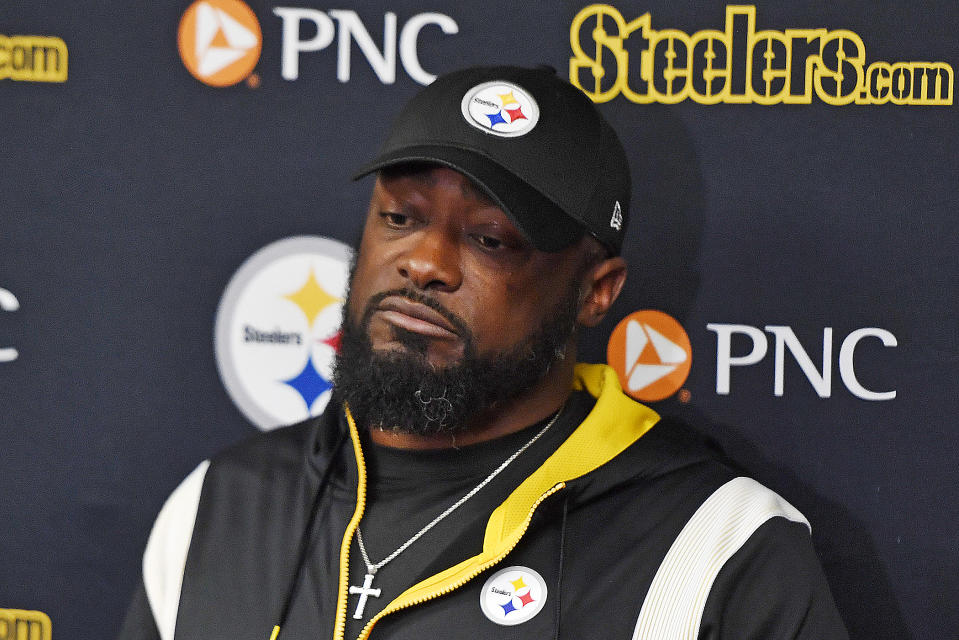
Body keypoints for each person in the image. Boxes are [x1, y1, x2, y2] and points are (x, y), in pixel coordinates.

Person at [118, 65, 848, 640]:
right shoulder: (216, 506)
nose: (423, 262)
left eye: (489, 239)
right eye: (399, 218)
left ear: (596, 290)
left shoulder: (720, 548)